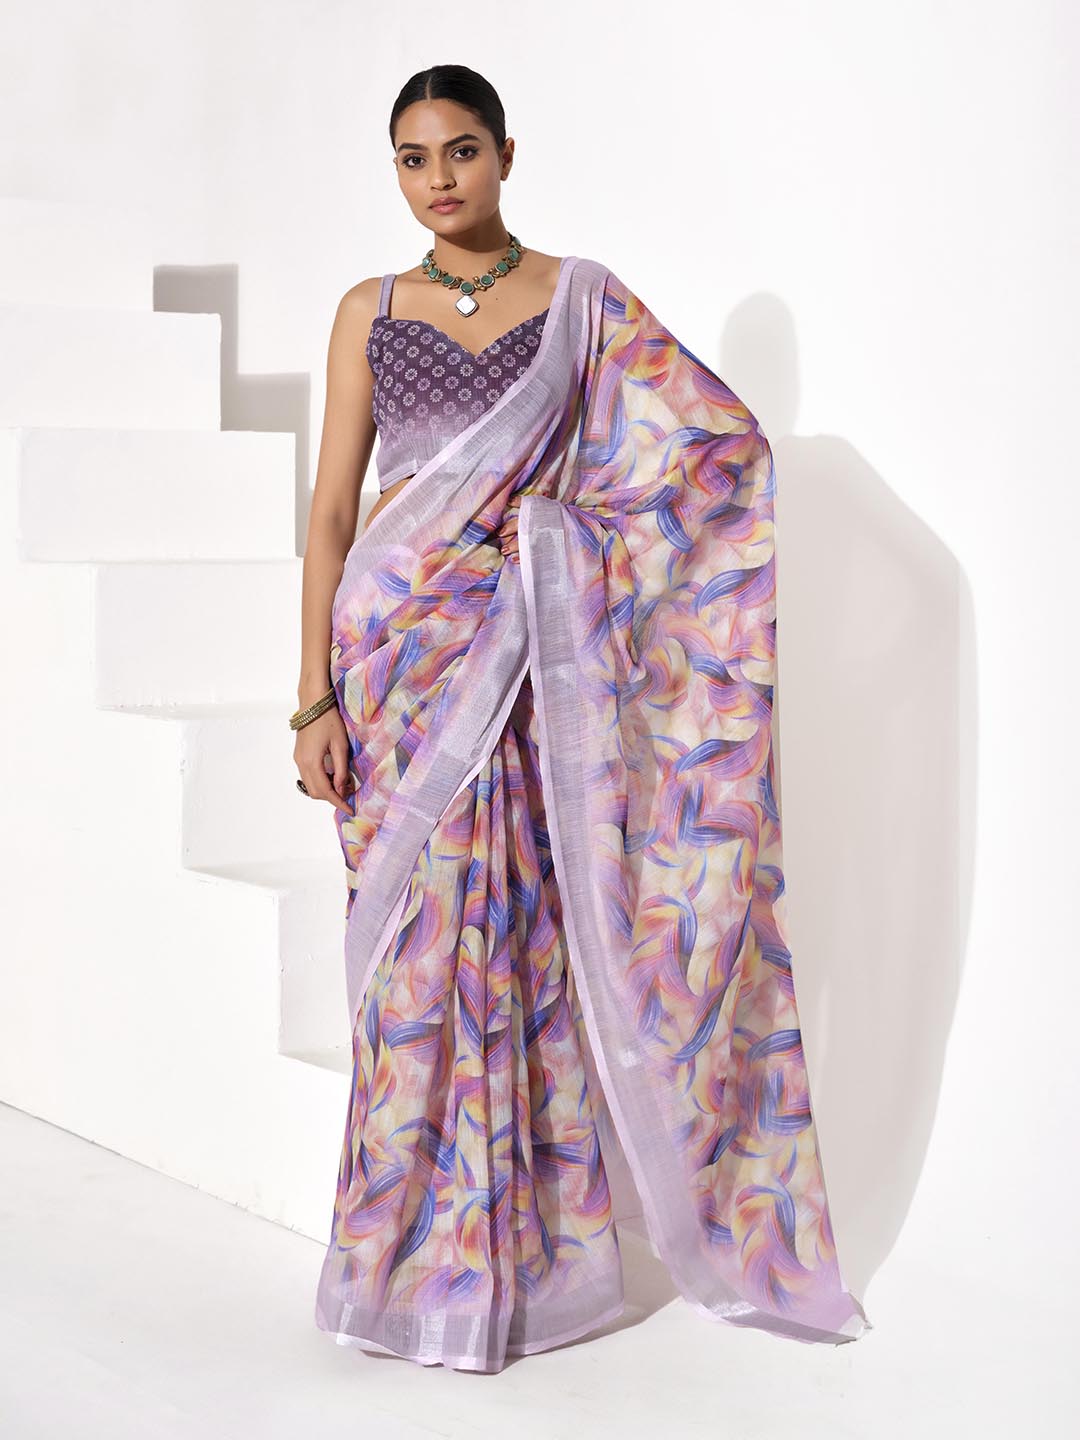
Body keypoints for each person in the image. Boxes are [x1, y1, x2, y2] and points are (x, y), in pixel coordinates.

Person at [293, 62, 871, 1373]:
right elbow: (329, 514)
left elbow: (713, 462)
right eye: (411, 159)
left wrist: (553, 544)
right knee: (409, 974)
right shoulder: (367, 311)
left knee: (518, 949)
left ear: (506, 154)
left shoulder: (582, 303)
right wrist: (312, 693)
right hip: (394, 662)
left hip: (520, 663)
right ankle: (396, 1264)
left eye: (459, 151)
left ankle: (522, 1268)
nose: (437, 180)